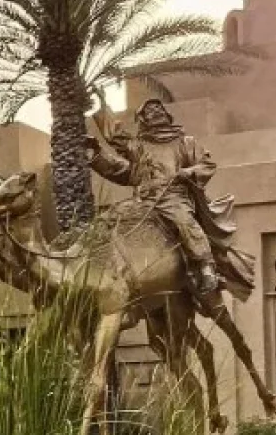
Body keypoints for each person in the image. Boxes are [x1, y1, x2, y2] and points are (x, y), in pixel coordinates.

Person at [87, 100, 221, 297]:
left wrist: (188, 172)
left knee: (184, 221)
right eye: (149, 110)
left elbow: (207, 165)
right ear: (143, 119)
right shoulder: (138, 146)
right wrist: (103, 112)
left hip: (173, 197)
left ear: (167, 114)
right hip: (143, 200)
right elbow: (118, 144)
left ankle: (205, 267)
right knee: (109, 219)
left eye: (158, 108)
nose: (155, 111)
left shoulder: (186, 142)